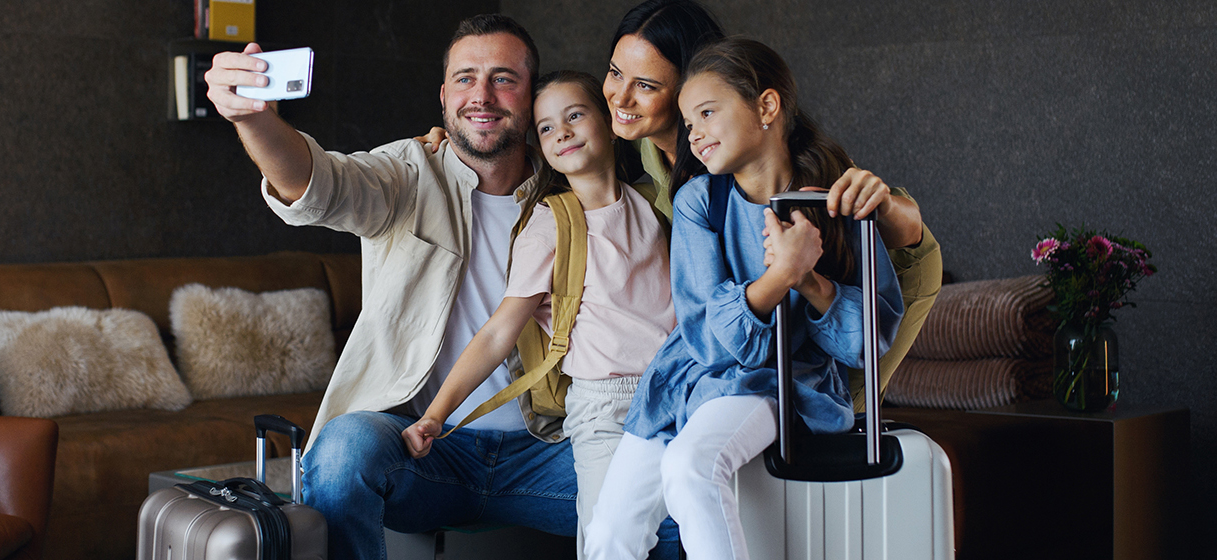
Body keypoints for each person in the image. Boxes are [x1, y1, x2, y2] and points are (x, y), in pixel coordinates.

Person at [422, 0, 942, 407]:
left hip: (873, 289)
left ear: (693, 90)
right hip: (749, 324)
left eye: (646, 85)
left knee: (817, 417)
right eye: (615, 72)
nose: (619, 98)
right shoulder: (636, 148)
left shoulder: (755, 162)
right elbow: (564, 142)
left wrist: (889, 211)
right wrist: (464, 138)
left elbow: (903, 227)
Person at [204, 14, 574, 560]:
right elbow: (319, 185)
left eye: (504, 78)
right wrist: (254, 122)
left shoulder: (572, 192)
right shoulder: (406, 171)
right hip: (423, 454)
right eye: (466, 78)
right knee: (341, 452)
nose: (482, 95)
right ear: (443, 95)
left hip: (546, 454)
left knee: (667, 490)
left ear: (532, 96)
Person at [583, 38, 905, 560]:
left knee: (691, 468)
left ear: (767, 107)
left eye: (708, 112)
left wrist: (810, 281)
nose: (696, 134)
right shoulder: (698, 202)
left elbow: (870, 343)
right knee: (608, 534)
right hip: (682, 384)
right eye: (689, 123)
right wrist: (781, 275)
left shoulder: (837, 198)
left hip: (777, 381)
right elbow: (707, 343)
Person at [400, 71, 674, 557]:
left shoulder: (654, 202)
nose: (562, 131)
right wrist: (437, 415)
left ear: (610, 123)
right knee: (612, 540)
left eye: (575, 115)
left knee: (683, 530)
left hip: (676, 395)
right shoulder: (550, 224)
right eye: (546, 128)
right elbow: (498, 332)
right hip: (606, 407)